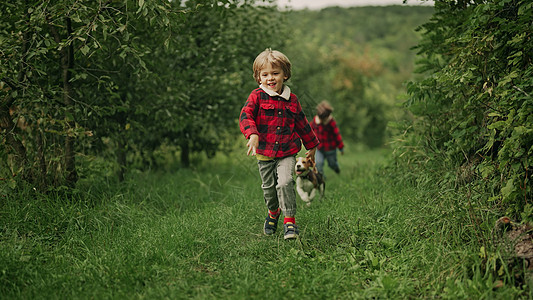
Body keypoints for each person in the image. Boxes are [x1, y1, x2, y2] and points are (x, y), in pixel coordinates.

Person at [239, 49, 319, 240]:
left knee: (285, 182)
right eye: (265, 74)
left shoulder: (292, 100)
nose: (270, 78)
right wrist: (252, 134)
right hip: (265, 152)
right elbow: (245, 115)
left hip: (286, 150)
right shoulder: (256, 96)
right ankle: (273, 212)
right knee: (269, 188)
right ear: (258, 77)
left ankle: (289, 222)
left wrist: (312, 145)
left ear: (285, 74)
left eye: (275, 73)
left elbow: (302, 123)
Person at [310, 101, 344, 176]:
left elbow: (337, 135)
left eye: (325, 119)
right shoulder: (315, 122)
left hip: (330, 149)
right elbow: (310, 131)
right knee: (318, 163)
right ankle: (321, 178)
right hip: (319, 148)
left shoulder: (331, 122)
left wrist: (341, 147)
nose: (323, 121)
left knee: (332, 163)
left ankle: (336, 168)